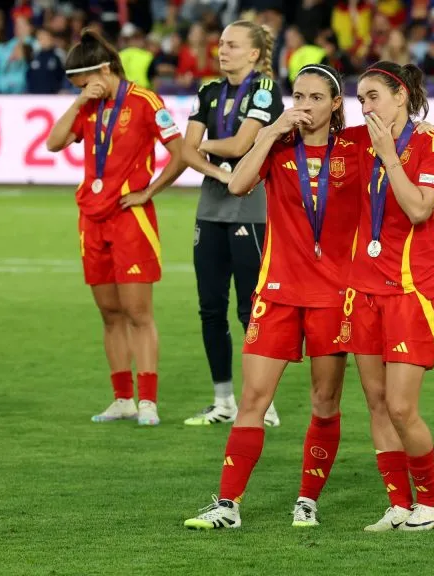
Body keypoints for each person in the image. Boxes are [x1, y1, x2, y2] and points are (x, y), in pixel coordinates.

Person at [182, 64, 362, 530]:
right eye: (297, 97)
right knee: (253, 401)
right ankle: (227, 505)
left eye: (315, 98)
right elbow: (238, 185)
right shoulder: (279, 145)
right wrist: (267, 134)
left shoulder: (357, 147)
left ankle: (307, 499)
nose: (303, 107)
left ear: (336, 105)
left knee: (325, 402)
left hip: (334, 294)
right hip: (277, 292)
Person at [45, 29, 185, 426]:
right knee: (109, 313)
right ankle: (123, 398)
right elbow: (54, 143)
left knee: (138, 312)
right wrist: (78, 101)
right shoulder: (87, 106)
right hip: (91, 218)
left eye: (84, 82)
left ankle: (149, 402)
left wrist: (149, 191)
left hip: (130, 218)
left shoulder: (144, 102)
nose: (82, 89)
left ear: (104, 69)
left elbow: (179, 154)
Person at [343, 61, 434, 531]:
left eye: (373, 96)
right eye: (361, 98)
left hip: (411, 289)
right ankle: (398, 503)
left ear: (401, 95)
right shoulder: (355, 142)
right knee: (376, 403)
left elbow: (418, 210)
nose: (365, 106)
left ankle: (430, 504)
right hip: (363, 286)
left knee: (401, 406)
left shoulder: (431, 143)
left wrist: (388, 155)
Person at [181, 20, 285, 428]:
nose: (223, 51)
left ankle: (264, 404)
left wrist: (201, 145)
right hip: (211, 207)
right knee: (210, 308)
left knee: (250, 310)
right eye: (221, 44)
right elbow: (186, 153)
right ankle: (223, 400)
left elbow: (242, 144)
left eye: (233, 45)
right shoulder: (208, 91)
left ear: (255, 54)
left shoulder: (264, 90)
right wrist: (224, 174)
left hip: (251, 209)